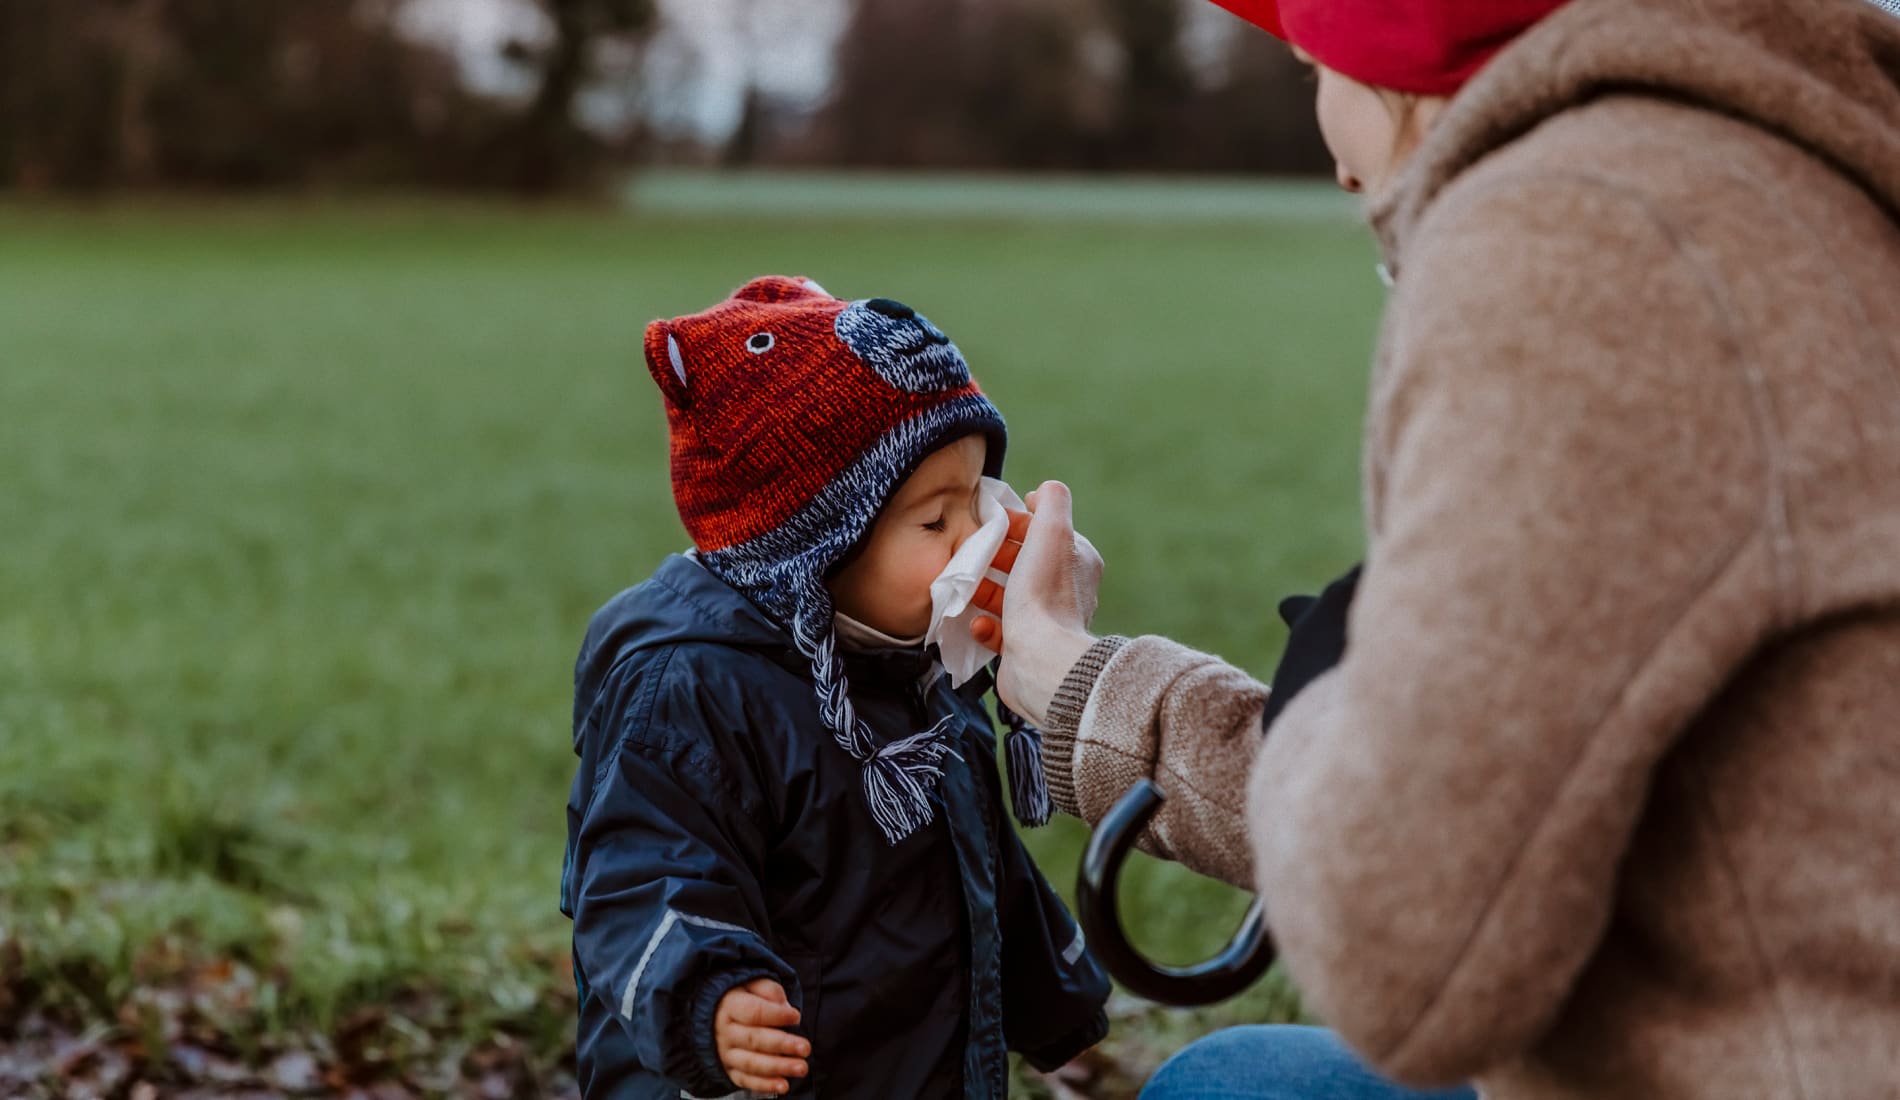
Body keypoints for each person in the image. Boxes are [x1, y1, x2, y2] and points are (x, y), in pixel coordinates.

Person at [972, 0, 1900, 1097]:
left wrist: (1326, 695)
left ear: (1406, 48)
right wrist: (1087, 687)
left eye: (1316, 67)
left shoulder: (1585, 240)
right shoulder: (1777, 175)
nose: (1339, 166)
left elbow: (1407, 957)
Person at [558, 276, 1109, 1099]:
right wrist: (710, 997)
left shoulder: (918, 664)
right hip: (744, 1075)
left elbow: (975, 862)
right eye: (936, 520)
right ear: (815, 550)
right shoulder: (692, 688)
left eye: (976, 500)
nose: (975, 536)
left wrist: (1054, 993)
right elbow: (638, 876)